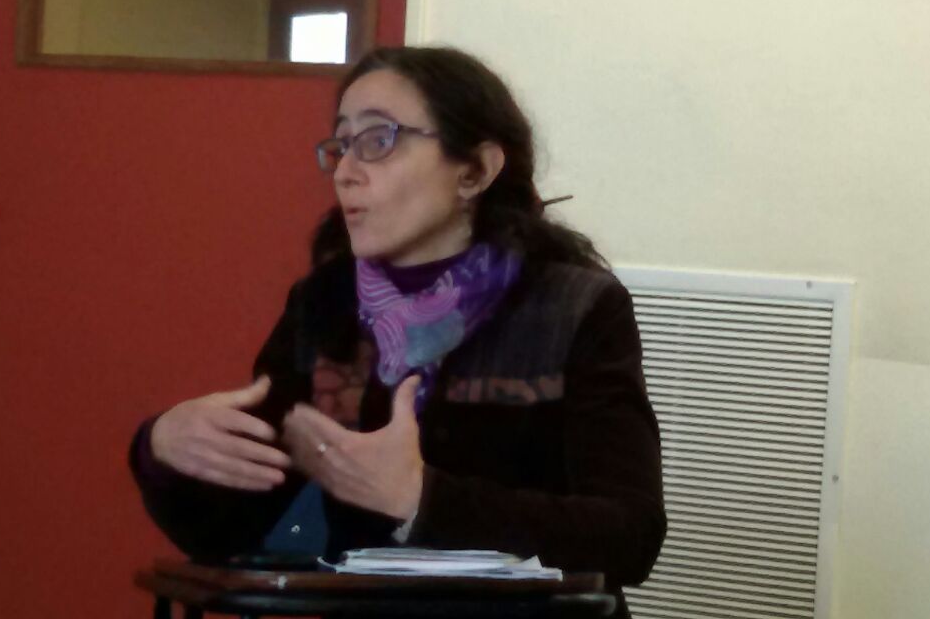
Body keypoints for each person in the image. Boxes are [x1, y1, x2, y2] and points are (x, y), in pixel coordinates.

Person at [129, 46, 665, 617]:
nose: (345, 172)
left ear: (475, 170)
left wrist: (417, 498)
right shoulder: (325, 304)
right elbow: (240, 534)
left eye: (378, 141)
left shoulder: (574, 306)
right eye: (341, 145)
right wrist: (163, 449)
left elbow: (629, 537)